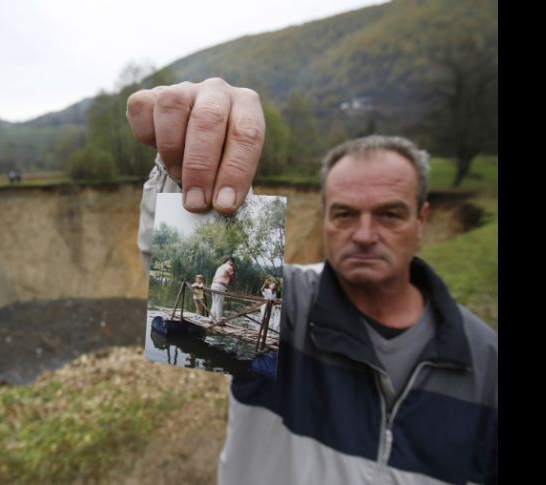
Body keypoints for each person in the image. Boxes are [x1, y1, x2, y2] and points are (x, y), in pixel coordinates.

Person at [130, 78, 497, 484]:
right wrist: (182, 164)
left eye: (390, 214)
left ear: (421, 221)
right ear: (323, 218)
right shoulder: (292, 311)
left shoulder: (485, 358)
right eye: (344, 214)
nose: (364, 234)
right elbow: (165, 254)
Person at [209, 256, 235, 324]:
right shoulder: (229, 267)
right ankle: (219, 320)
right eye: (230, 261)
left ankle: (210, 319)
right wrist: (235, 282)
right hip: (220, 285)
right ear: (228, 261)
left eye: (232, 261)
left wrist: (226, 288)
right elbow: (232, 277)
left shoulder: (220, 267)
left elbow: (224, 276)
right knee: (219, 304)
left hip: (213, 285)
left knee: (214, 303)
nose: (231, 262)